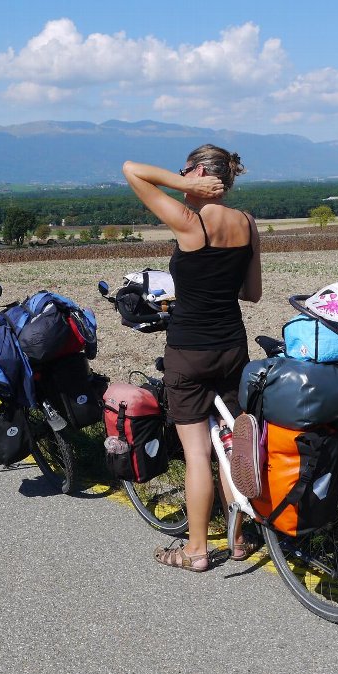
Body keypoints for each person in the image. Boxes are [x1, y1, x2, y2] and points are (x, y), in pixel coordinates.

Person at [121, 144, 262, 572]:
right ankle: (239, 539)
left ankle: (197, 550)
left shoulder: (189, 222)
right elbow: (251, 293)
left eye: (187, 172)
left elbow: (132, 168)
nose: (183, 181)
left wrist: (184, 184)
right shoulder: (247, 223)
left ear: (199, 172)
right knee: (232, 444)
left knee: (199, 452)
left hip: (189, 352)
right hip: (233, 349)